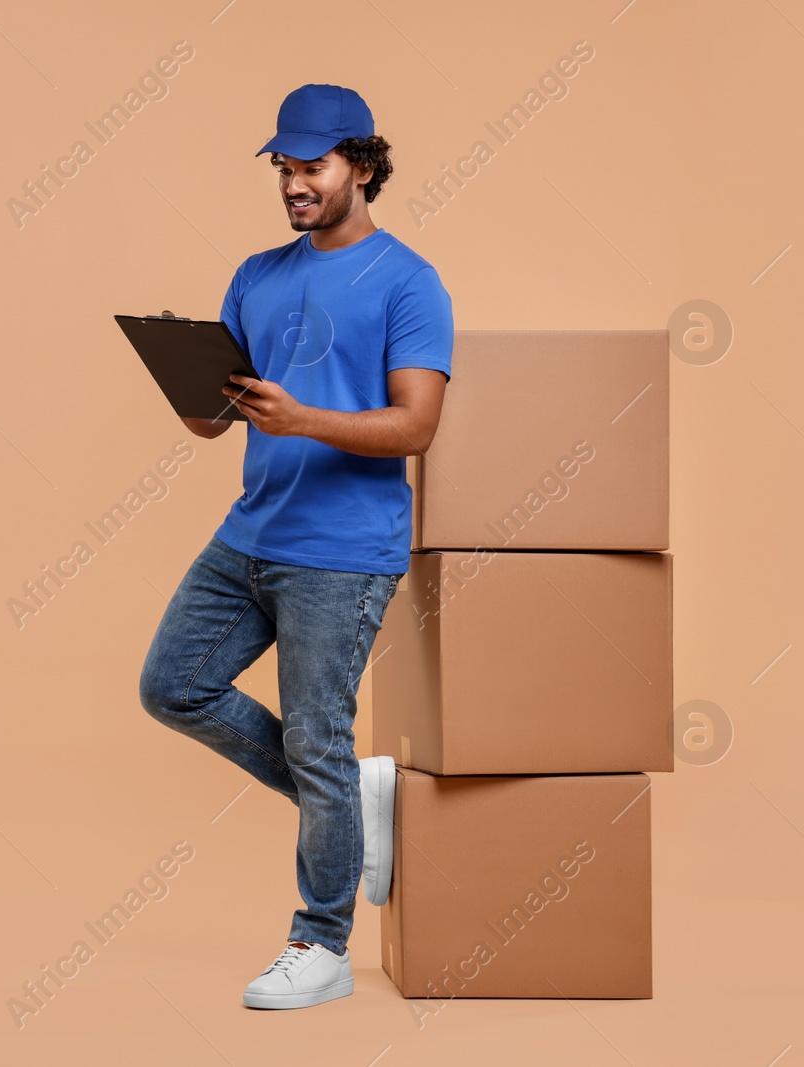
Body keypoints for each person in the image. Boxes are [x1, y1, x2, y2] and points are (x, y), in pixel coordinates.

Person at [137, 83, 454, 1010]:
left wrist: (305, 416)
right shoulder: (256, 273)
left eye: (312, 167)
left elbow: (417, 426)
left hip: (345, 548)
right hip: (252, 533)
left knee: (316, 737)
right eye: (284, 168)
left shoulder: (409, 281)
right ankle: (356, 807)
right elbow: (215, 421)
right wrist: (187, 374)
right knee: (173, 686)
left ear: (361, 165)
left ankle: (321, 945)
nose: (294, 185)